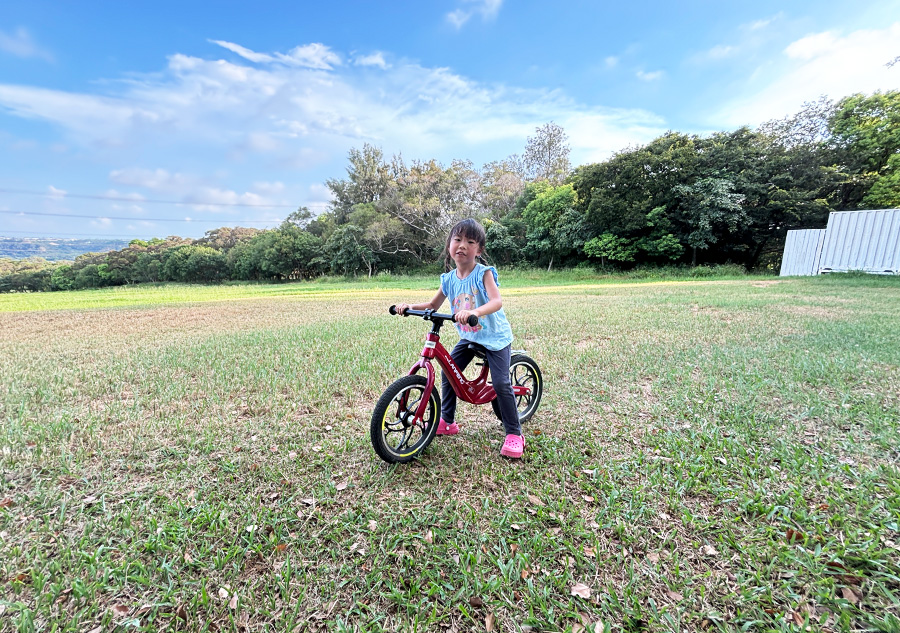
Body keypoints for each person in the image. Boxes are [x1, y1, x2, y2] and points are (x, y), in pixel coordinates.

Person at [395, 219, 524, 459]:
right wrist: (409, 305)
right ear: (449, 245)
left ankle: (514, 433)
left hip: (495, 338)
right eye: (457, 240)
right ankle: (448, 421)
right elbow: (433, 305)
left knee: (500, 384)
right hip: (470, 337)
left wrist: (475, 312)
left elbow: (497, 301)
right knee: (448, 371)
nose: (462, 245)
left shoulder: (483, 274)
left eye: (470, 241)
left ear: (479, 250)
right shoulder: (449, 279)